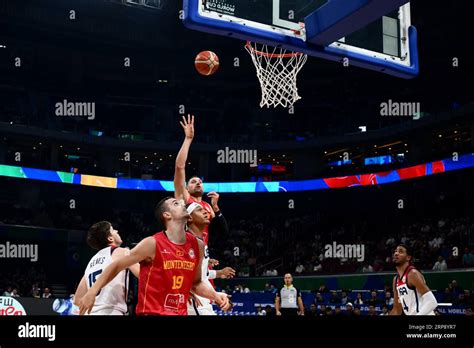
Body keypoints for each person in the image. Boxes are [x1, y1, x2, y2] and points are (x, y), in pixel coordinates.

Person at [78, 197, 230, 315]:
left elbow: (196, 284)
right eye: (176, 203)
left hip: (179, 312)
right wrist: (92, 292)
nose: (183, 203)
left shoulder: (198, 245)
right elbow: (117, 265)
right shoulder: (151, 244)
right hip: (152, 311)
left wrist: (215, 296)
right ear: (167, 215)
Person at [74, 221, 140, 315]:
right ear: (110, 238)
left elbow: (77, 299)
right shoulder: (121, 252)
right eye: (113, 229)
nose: (117, 231)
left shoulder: (91, 263)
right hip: (112, 311)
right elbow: (141, 273)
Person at [186, 202, 235, 315]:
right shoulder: (187, 242)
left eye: (204, 209)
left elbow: (201, 275)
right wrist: (216, 296)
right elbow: (185, 276)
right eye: (199, 209)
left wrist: (219, 273)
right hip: (195, 304)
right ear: (189, 218)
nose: (205, 211)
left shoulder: (200, 242)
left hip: (204, 301)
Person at [390, 244, 438, 315]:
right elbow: (397, 310)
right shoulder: (396, 279)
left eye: (401, 251)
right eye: (395, 251)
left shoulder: (412, 273)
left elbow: (432, 302)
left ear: (408, 258)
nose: (396, 253)